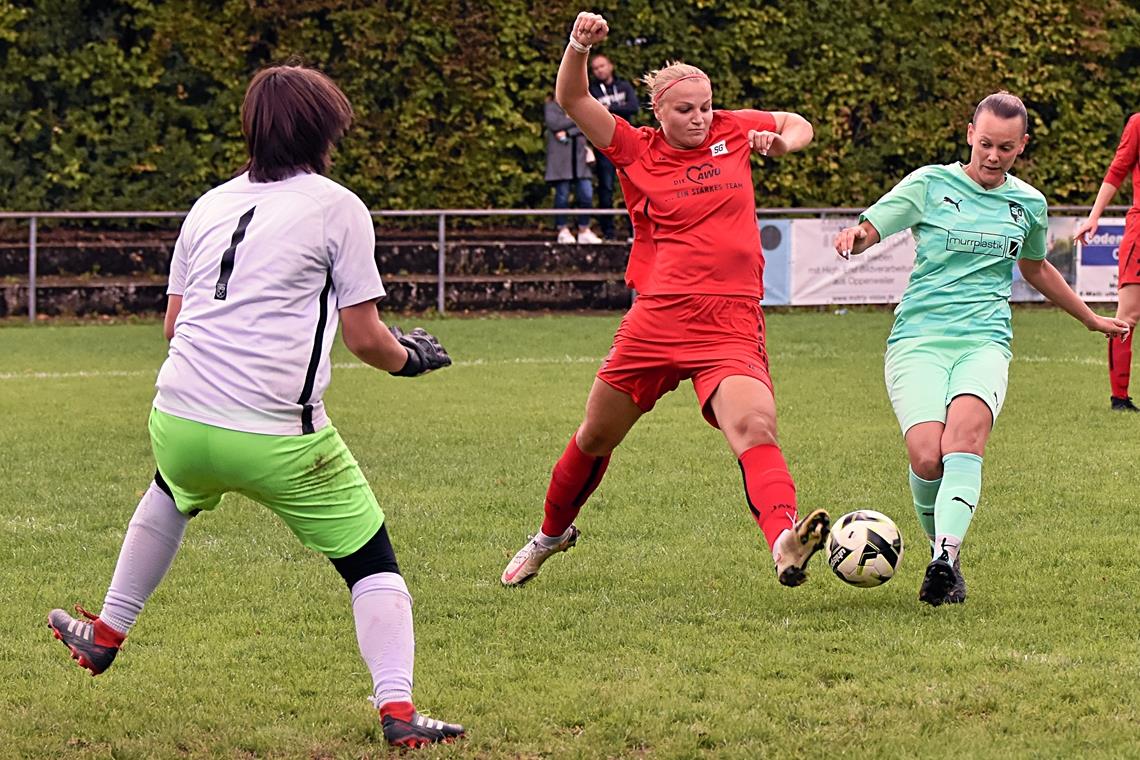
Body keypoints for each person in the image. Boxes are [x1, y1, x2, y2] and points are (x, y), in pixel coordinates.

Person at [46, 63, 464, 749]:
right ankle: (397, 712)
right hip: (278, 436)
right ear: (326, 128)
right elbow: (366, 338)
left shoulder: (208, 204)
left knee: (172, 493)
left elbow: (173, 326)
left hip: (177, 418)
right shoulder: (338, 207)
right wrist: (411, 357)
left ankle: (107, 634)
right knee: (372, 564)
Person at [502, 12, 828, 589]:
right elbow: (571, 96)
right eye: (686, 109)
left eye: (705, 106)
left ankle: (783, 539)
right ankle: (550, 535)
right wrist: (578, 45)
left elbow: (795, 121)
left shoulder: (731, 129)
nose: (700, 117)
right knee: (594, 437)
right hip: (657, 319)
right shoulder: (634, 147)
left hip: (730, 319)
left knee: (755, 427)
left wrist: (781, 143)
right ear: (659, 112)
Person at [833, 92, 1130, 607]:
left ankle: (945, 560)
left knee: (963, 441)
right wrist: (854, 237)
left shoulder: (1029, 204)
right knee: (928, 458)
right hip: (919, 339)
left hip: (984, 339)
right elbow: (871, 228)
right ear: (970, 133)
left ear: (1023, 146)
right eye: (986, 143)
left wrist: (1089, 318)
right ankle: (940, 547)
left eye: (1007, 148)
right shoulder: (930, 183)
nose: (994, 156)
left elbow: (1036, 268)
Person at [1074, 112, 1140, 412]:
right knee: (1128, 315)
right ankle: (1120, 397)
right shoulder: (1138, 123)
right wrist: (1093, 217)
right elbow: (1117, 170)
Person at [589, 53, 639, 240]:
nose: (600, 70)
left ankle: (634, 230)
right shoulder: (592, 90)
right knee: (606, 187)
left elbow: (633, 107)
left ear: (611, 66)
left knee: (635, 185)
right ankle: (608, 231)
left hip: (627, 142)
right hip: (605, 144)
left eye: (602, 66)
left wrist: (610, 109)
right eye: (595, 68)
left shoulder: (624, 86)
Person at [545, 96, 603, 244]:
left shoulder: (578, 105)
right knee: (562, 196)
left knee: (586, 194)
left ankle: (584, 229)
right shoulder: (551, 107)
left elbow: (587, 123)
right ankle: (562, 229)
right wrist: (575, 119)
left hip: (580, 159)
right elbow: (554, 124)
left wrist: (569, 130)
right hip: (561, 161)